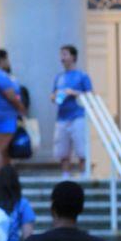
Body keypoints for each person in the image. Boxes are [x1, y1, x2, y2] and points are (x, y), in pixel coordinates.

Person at [51, 45, 93, 178]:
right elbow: (52, 96)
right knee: (62, 150)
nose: (62, 58)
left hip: (78, 116)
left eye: (65, 54)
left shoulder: (82, 76)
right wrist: (56, 95)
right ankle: (65, 176)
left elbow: (90, 95)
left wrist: (73, 93)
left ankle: (84, 175)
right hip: (62, 118)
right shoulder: (59, 77)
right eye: (61, 55)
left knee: (81, 149)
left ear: (73, 57)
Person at [0, 50, 27, 172]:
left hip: (0, 116)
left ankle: (5, 175)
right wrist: (21, 108)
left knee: (3, 150)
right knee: (0, 148)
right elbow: (11, 95)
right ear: (1, 60)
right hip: (3, 117)